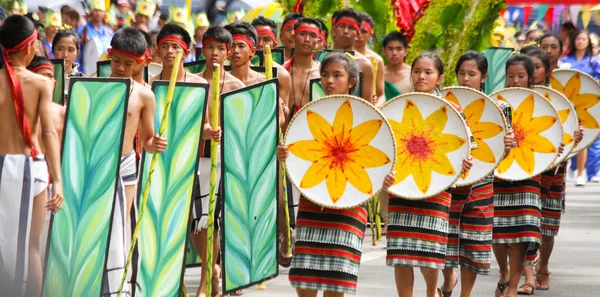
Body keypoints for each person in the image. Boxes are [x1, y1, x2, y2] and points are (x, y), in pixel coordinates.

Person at [276, 52, 397, 297]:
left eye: (337, 75)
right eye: (325, 75)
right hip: (314, 201)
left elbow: (382, 160)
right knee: (305, 278)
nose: (329, 80)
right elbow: (299, 155)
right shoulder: (309, 114)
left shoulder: (370, 116)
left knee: (337, 279)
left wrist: (386, 178)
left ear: (353, 81)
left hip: (351, 203)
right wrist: (284, 155)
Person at [386, 52, 473, 297]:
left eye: (428, 72)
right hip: (402, 186)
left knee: (429, 250)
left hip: (436, 187)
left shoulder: (453, 110)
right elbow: (384, 143)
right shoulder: (398, 105)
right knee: (401, 253)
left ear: (440, 77)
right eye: (417, 71)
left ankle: (430, 292)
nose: (421, 76)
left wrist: (465, 162)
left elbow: (468, 147)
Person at [438, 50, 516, 297]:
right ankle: (449, 277)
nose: (465, 79)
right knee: (446, 238)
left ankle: (466, 294)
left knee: (472, 240)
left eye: (472, 74)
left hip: (482, 182)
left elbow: (499, 156)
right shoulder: (443, 103)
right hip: (449, 181)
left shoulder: (500, 108)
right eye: (461, 73)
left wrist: (507, 146)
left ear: (483, 76)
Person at [0, 15, 63, 296]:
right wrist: (58, 180)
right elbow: (48, 133)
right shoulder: (40, 83)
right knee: (32, 248)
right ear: (30, 47)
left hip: (2, 165)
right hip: (29, 166)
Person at [105, 27, 168, 296]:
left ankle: (121, 288)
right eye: (117, 61)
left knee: (122, 226)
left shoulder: (144, 95)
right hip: (94, 164)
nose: (120, 68)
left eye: (128, 63)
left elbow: (147, 139)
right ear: (109, 56)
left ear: (140, 61)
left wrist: (156, 144)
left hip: (125, 164)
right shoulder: (92, 86)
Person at [517, 46, 583, 295]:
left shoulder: (558, 99)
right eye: (527, 67)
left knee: (547, 223)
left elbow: (569, 130)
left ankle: (542, 266)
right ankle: (526, 275)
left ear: (547, 70)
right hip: (525, 166)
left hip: (554, 167)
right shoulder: (513, 98)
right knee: (527, 220)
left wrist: (573, 136)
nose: (531, 72)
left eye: (537, 67)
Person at [192, 25, 245, 297]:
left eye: (221, 49)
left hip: (225, 160)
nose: (215, 53)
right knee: (197, 221)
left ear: (228, 53)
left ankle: (207, 282)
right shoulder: (193, 82)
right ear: (203, 49)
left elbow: (243, 128)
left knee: (216, 219)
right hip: (197, 158)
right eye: (210, 47)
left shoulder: (237, 87)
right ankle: (210, 268)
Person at [492, 54, 543, 297]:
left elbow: (551, 138)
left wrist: (564, 144)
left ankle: (513, 285)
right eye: (510, 76)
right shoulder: (495, 103)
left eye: (520, 76)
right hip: (499, 173)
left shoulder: (543, 103)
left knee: (524, 227)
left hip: (529, 173)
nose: (515, 81)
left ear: (531, 78)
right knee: (497, 231)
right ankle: (504, 271)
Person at [561, 30, 600, 186]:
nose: (580, 42)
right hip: (569, 104)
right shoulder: (565, 60)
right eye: (578, 39)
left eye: (583, 39)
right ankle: (574, 167)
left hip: (589, 104)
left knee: (592, 137)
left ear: (588, 42)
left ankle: (589, 172)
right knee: (572, 135)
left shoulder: (593, 61)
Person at [330, 8, 377, 105]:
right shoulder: (319, 58)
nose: (346, 31)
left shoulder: (365, 65)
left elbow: (367, 106)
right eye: (342, 26)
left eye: (351, 28)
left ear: (357, 34)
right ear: (334, 30)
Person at [251, 16, 292, 121]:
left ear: (274, 44)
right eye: (256, 39)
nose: (260, 44)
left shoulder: (282, 75)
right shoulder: (237, 69)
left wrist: (282, 107)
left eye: (266, 40)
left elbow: (285, 113)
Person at [284, 17, 321, 117]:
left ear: (318, 42)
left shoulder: (322, 74)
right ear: (293, 37)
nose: (307, 39)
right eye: (302, 34)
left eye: (312, 35)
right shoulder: (282, 71)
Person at [355, 12, 385, 107]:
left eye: (364, 31)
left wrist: (375, 108)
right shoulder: (342, 56)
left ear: (371, 34)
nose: (359, 34)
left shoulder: (377, 60)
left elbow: (381, 95)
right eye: (356, 30)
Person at [382, 31, 412, 95]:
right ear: (383, 51)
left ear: (405, 52)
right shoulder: (378, 75)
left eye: (399, 49)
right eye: (390, 49)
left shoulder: (413, 74)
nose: (394, 53)